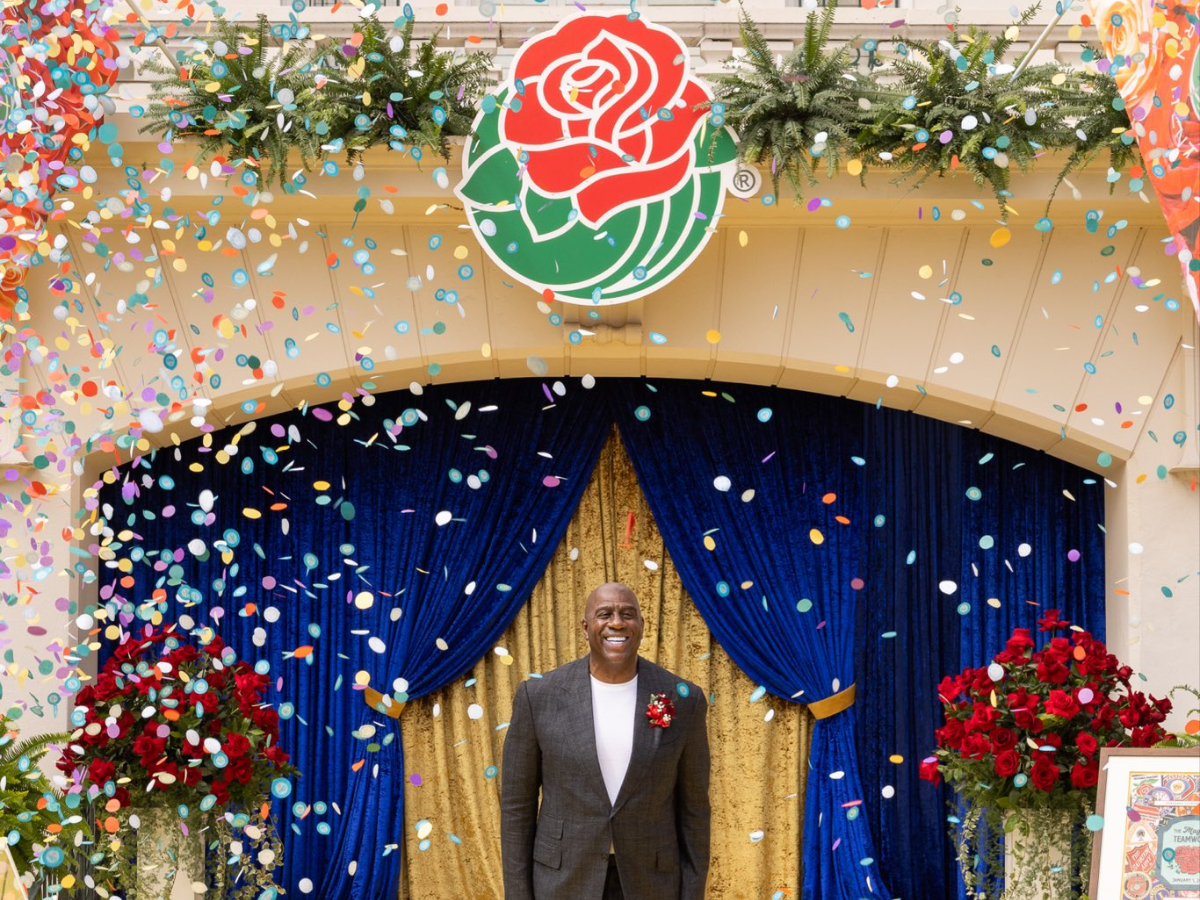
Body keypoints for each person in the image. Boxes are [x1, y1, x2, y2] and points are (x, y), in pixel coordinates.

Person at [500, 582, 711, 900]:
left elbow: (694, 810)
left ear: (641, 626)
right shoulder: (538, 697)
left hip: (652, 883)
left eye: (627, 614)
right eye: (604, 614)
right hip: (563, 881)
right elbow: (517, 808)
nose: (617, 622)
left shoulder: (684, 699)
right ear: (586, 628)